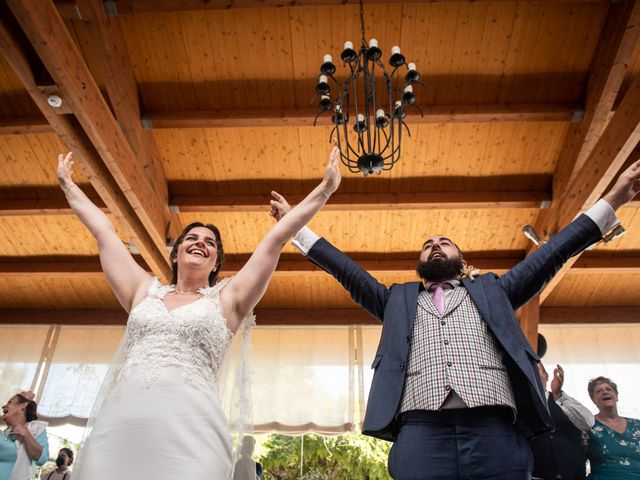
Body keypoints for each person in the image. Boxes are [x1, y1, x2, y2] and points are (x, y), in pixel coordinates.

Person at [270, 159, 640, 479]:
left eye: (444, 241)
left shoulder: (495, 291)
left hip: (495, 429)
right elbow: (345, 270)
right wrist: (294, 228)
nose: (435, 244)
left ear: (461, 260)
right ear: (419, 262)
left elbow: (554, 253)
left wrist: (614, 200)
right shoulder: (397, 299)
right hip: (420, 433)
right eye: (428, 243)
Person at [57, 147, 341, 480]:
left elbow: (275, 239)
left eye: (210, 242)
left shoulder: (228, 299)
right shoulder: (141, 290)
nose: (200, 243)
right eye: (191, 238)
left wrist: (325, 189)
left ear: (216, 261)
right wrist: (68, 186)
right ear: (176, 254)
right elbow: (104, 233)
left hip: (191, 436)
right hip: (119, 430)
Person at [529, 363, 594, 480]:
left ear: (546, 376)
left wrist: (558, 394)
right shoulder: (523, 407)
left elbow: (587, 423)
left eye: (536, 369)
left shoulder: (564, 401)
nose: (532, 372)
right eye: (529, 369)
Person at [586, 376, 640, 479]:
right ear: (594, 400)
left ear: (616, 396)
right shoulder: (588, 425)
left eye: (608, 389)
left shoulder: (637, 425)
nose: (605, 392)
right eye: (598, 391)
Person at [0, 391, 49, 480]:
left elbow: (42, 459)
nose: (3, 406)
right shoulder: (3, 434)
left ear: (22, 407)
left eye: (10, 402)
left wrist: (26, 434)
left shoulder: (36, 430)